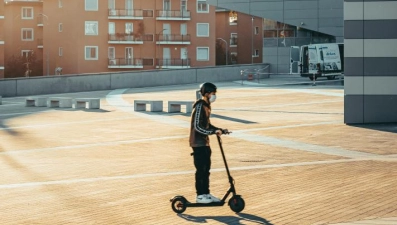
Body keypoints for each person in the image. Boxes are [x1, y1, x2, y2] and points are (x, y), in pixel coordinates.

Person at [189, 82, 227, 204]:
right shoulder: (200, 106)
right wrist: (212, 131)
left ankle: (206, 193)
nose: (214, 96)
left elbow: (207, 125)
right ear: (206, 94)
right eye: (212, 94)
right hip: (198, 144)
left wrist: (219, 129)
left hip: (204, 143)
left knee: (206, 170)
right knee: (201, 170)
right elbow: (197, 127)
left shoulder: (207, 106)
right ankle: (200, 196)